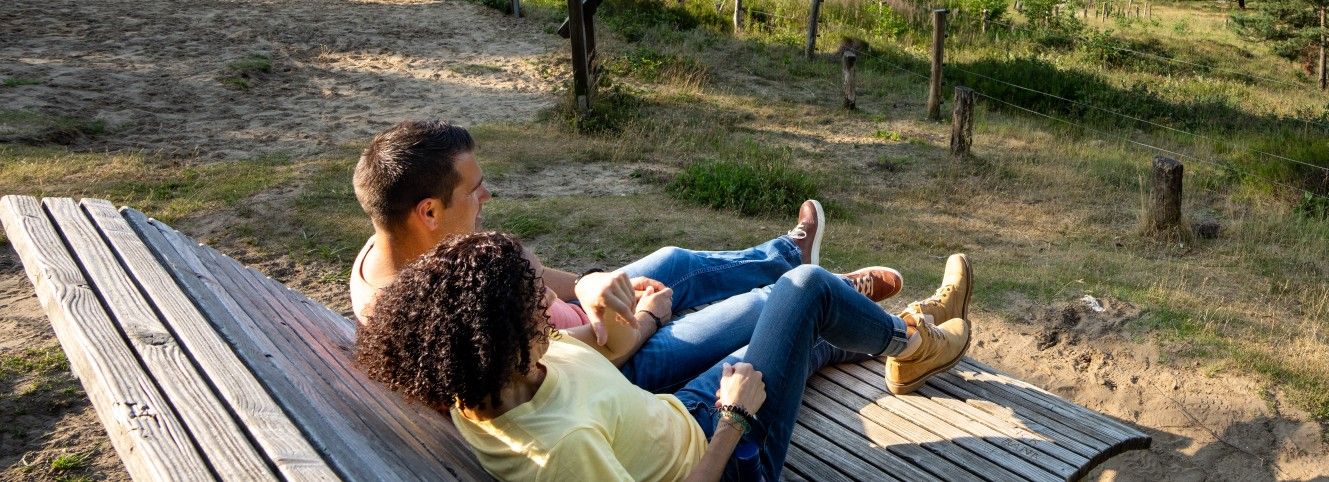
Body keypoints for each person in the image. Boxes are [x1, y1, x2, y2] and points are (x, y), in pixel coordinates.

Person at [356, 231, 975, 482]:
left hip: (674, 414)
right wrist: (734, 421)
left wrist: (647, 312)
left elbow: (604, 347)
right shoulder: (560, 450)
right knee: (802, 290)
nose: (551, 307)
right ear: (498, 337)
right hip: (727, 458)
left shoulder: (496, 377)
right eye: (533, 305)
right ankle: (912, 343)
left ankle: (903, 328)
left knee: (803, 333)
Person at [348, 120, 901, 392]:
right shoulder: (426, 310)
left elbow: (536, 277)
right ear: (427, 210)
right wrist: (642, 318)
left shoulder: (401, 246)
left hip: (598, 323)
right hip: (620, 362)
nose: (487, 196)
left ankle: (789, 252)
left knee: (674, 260)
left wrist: (591, 283)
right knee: (764, 308)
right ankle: (839, 301)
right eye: (475, 188)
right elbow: (560, 361)